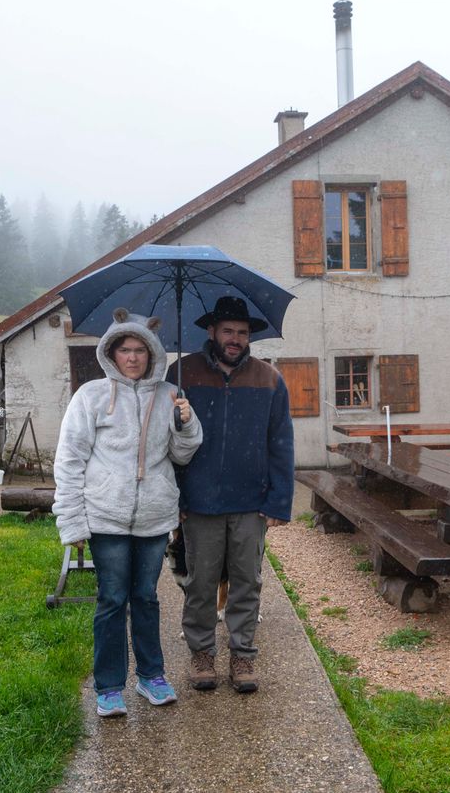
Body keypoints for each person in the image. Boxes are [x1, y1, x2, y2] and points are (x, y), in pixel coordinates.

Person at [54, 308, 202, 718]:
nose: (133, 357)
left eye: (140, 350)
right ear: (112, 353)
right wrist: (72, 521)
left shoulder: (170, 395)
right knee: (112, 600)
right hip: (106, 516)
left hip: (154, 518)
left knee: (147, 598)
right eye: (125, 350)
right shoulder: (91, 397)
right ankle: (109, 686)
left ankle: (151, 676)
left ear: (152, 353)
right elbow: (69, 461)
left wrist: (186, 425)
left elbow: (182, 455)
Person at [167, 295, 294, 693]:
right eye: (228, 331)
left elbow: (281, 443)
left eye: (242, 332)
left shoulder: (269, 379)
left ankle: (242, 656)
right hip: (198, 502)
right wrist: (176, 500)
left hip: (251, 503)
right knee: (200, 584)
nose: (235, 339)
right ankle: (202, 654)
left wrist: (278, 501)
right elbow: (164, 442)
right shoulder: (181, 374)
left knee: (246, 582)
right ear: (212, 332)